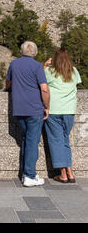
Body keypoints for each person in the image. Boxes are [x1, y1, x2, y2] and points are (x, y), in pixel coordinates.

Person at [5, 41, 50, 187]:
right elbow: (44, 88)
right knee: (32, 142)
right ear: (35, 52)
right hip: (34, 109)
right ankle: (30, 175)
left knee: (26, 140)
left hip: (19, 109)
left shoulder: (14, 64)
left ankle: (25, 173)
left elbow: (8, 83)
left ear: (22, 51)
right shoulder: (37, 66)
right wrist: (47, 106)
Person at [43, 48, 82, 183]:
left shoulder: (50, 71)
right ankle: (70, 171)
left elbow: (41, 82)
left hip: (54, 110)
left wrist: (45, 65)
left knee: (56, 141)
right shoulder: (74, 71)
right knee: (65, 140)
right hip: (69, 110)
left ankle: (63, 173)